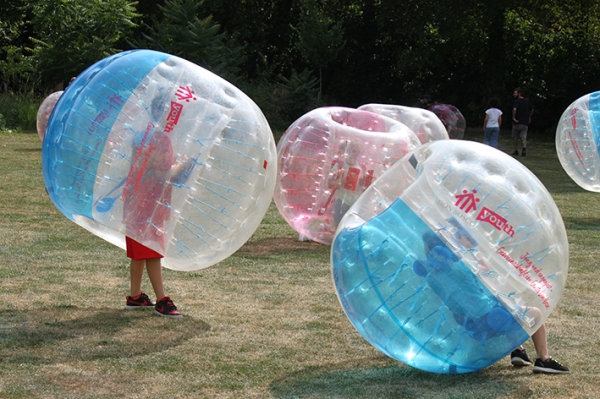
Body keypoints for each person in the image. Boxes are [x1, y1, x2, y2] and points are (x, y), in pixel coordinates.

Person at [122, 129, 191, 318]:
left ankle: (135, 296)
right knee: (152, 250)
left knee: (139, 253)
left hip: (134, 201)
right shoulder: (161, 139)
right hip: (150, 204)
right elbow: (162, 174)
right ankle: (162, 301)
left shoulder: (141, 136)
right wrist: (182, 165)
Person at [329, 139, 365, 227]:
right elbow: (329, 184)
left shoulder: (361, 167)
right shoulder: (340, 166)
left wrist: (363, 182)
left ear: (359, 152)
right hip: (342, 202)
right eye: (348, 150)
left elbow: (362, 186)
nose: (351, 153)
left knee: (352, 227)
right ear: (343, 152)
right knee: (340, 226)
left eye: (354, 151)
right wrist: (340, 179)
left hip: (355, 204)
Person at [511, 88, 534, 156]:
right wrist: (529, 116)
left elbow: (514, 109)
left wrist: (514, 117)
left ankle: (516, 150)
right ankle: (524, 149)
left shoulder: (517, 101)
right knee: (523, 137)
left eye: (515, 93)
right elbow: (532, 109)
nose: (514, 94)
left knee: (515, 137)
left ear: (519, 93)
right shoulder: (527, 101)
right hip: (525, 122)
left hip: (517, 122)